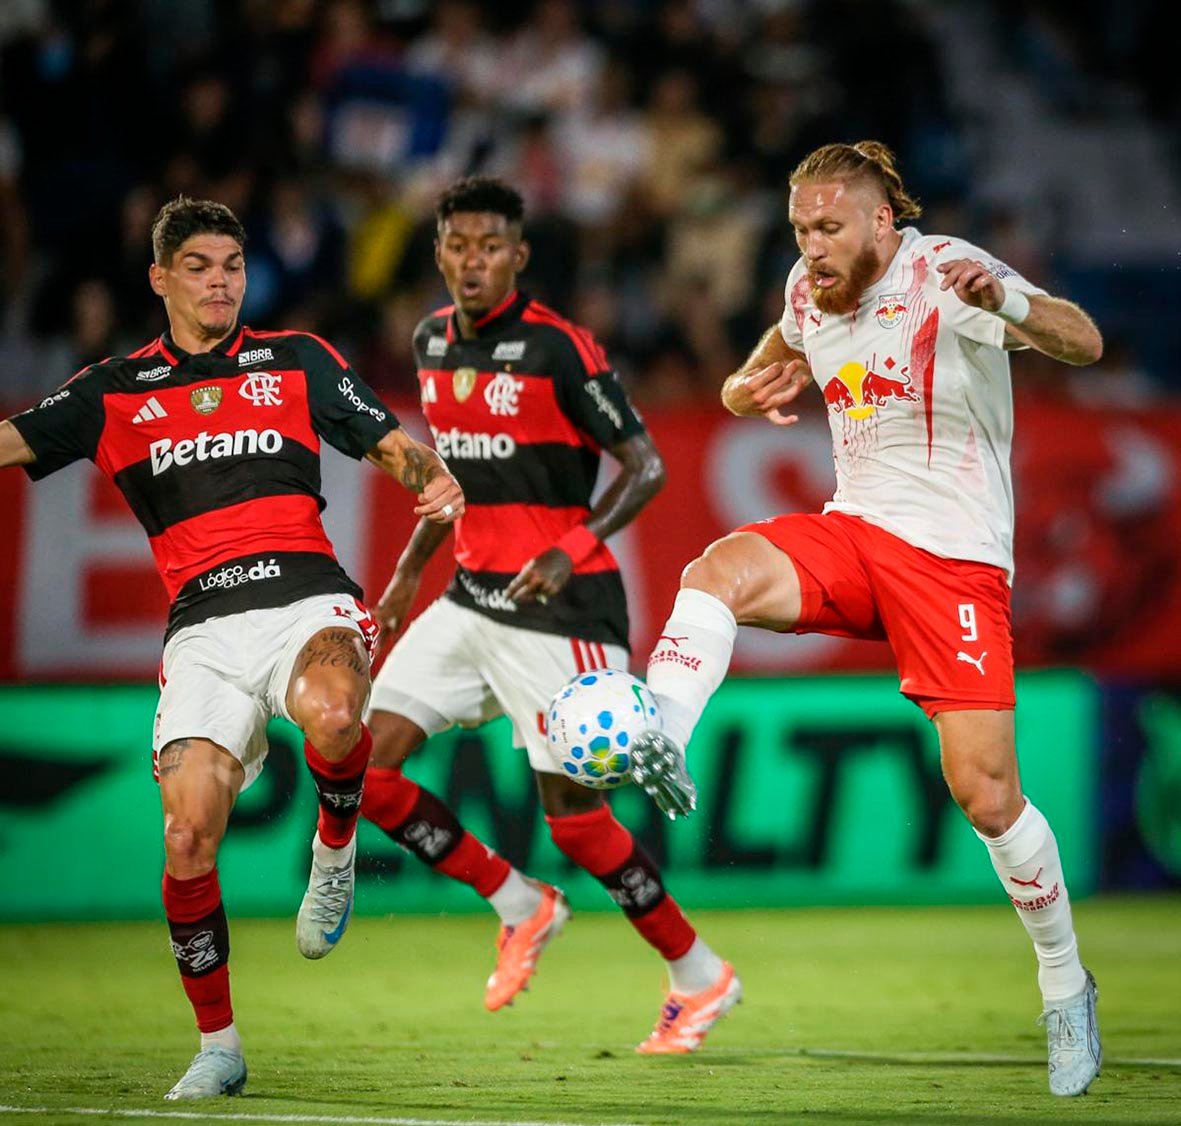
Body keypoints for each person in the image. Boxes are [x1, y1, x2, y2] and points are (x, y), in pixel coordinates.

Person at [627, 141, 1105, 1096]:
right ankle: (661, 736)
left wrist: (1008, 304)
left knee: (985, 797)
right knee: (715, 570)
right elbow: (762, 362)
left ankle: (1064, 984)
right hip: (854, 533)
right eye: (800, 228)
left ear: (882, 221)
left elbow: (1082, 341)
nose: (811, 245)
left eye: (829, 227)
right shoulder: (808, 291)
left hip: (953, 560)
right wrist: (740, 388)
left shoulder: (946, 271)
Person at [0, 197, 464, 1100]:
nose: (220, 283)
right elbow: (13, 441)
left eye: (233, 266)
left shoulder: (296, 360)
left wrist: (432, 474)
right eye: (200, 267)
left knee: (335, 713)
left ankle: (334, 852)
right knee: (186, 836)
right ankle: (219, 1046)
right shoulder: (112, 391)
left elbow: (392, 444)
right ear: (160, 279)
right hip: (202, 632)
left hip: (305, 597)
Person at [359, 176, 740, 1053]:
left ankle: (698, 973)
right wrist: (405, 578)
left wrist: (573, 543)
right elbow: (446, 479)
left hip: (561, 608)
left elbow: (646, 466)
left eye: (490, 247)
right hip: (468, 598)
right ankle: (517, 901)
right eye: (458, 246)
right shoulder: (429, 340)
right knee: (359, 768)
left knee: (576, 823)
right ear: (439, 254)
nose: (473, 262)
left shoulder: (559, 348)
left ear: (518, 256)